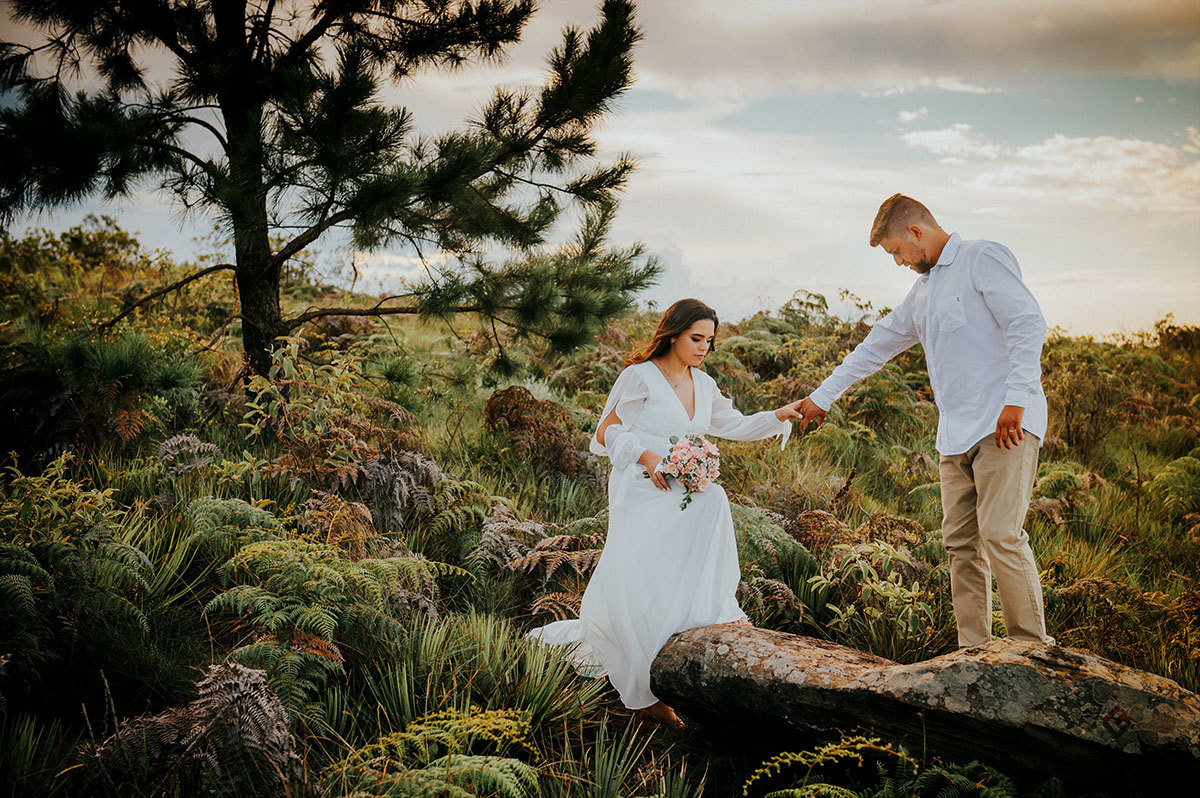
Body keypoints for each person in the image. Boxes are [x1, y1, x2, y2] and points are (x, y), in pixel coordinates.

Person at [525, 298, 803, 728]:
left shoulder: (704, 384)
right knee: (654, 556)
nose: (704, 348)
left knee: (714, 499)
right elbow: (607, 431)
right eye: (696, 338)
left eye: (710, 341)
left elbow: (732, 425)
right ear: (673, 333)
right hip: (642, 482)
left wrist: (776, 416)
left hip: (682, 484)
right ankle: (640, 690)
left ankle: (702, 611)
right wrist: (648, 456)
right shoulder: (639, 376)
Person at [795, 193, 1056, 650]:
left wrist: (1017, 399)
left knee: (1001, 535)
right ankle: (974, 652)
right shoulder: (923, 292)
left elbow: (1027, 322)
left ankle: (1030, 650)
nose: (898, 262)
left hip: (1003, 425)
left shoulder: (981, 257)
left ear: (916, 232)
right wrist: (822, 397)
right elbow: (876, 345)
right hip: (954, 437)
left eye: (897, 251)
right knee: (960, 546)